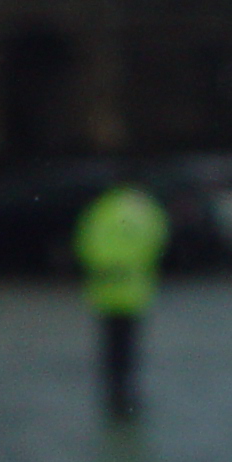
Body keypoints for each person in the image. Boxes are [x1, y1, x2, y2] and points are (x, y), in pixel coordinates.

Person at [72, 172, 169, 419]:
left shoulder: (101, 209)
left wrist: (104, 266)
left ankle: (114, 394)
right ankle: (127, 393)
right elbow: (159, 239)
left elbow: (84, 242)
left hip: (105, 290)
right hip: (134, 290)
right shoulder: (146, 209)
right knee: (129, 347)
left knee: (111, 347)